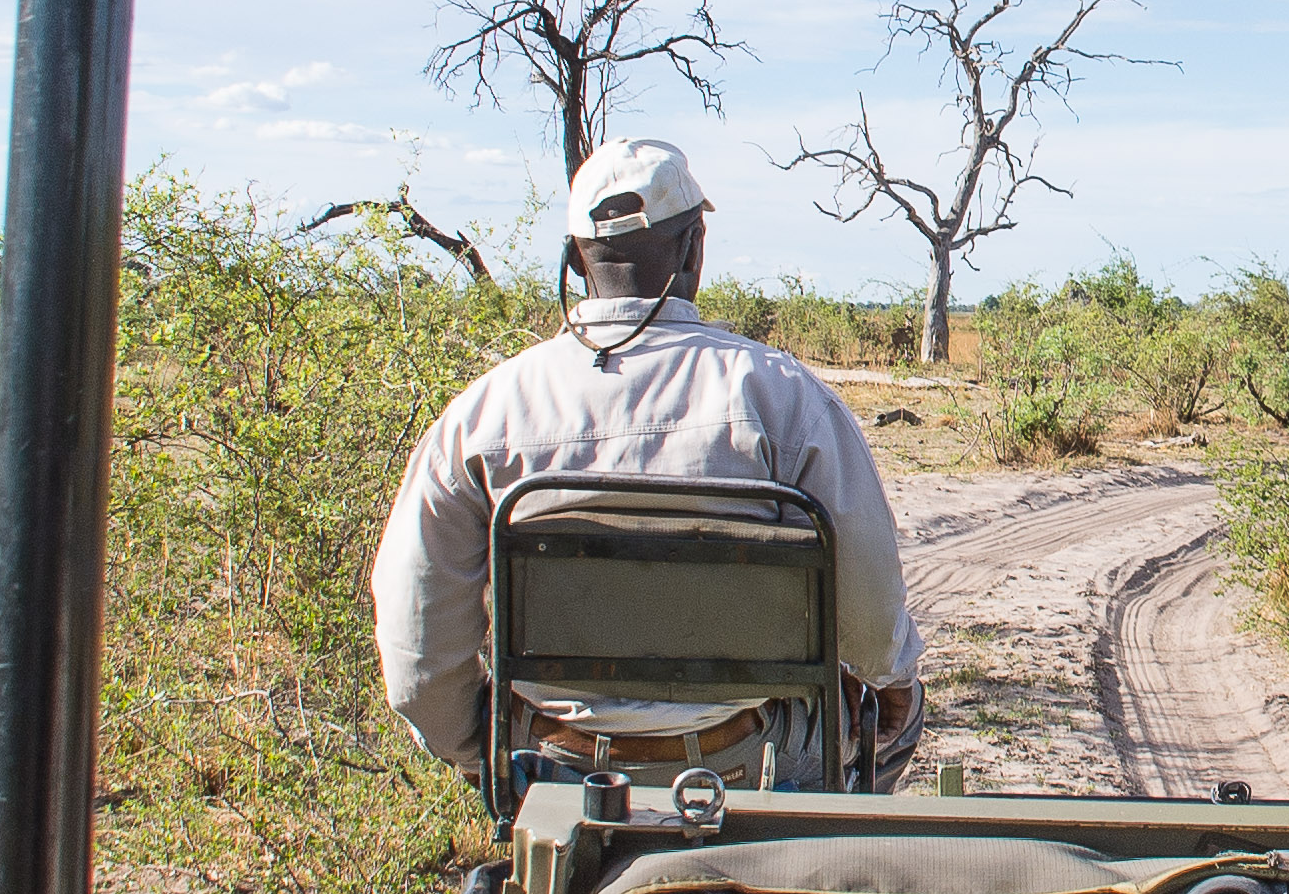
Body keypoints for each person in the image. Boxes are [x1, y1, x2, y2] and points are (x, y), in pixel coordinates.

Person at [373, 138, 923, 791]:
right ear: (695, 247)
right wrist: (893, 679)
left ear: (574, 262)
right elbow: (870, 612)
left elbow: (417, 655)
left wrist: (484, 747)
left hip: (554, 765)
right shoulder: (780, 394)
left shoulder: (483, 416)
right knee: (895, 720)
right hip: (754, 761)